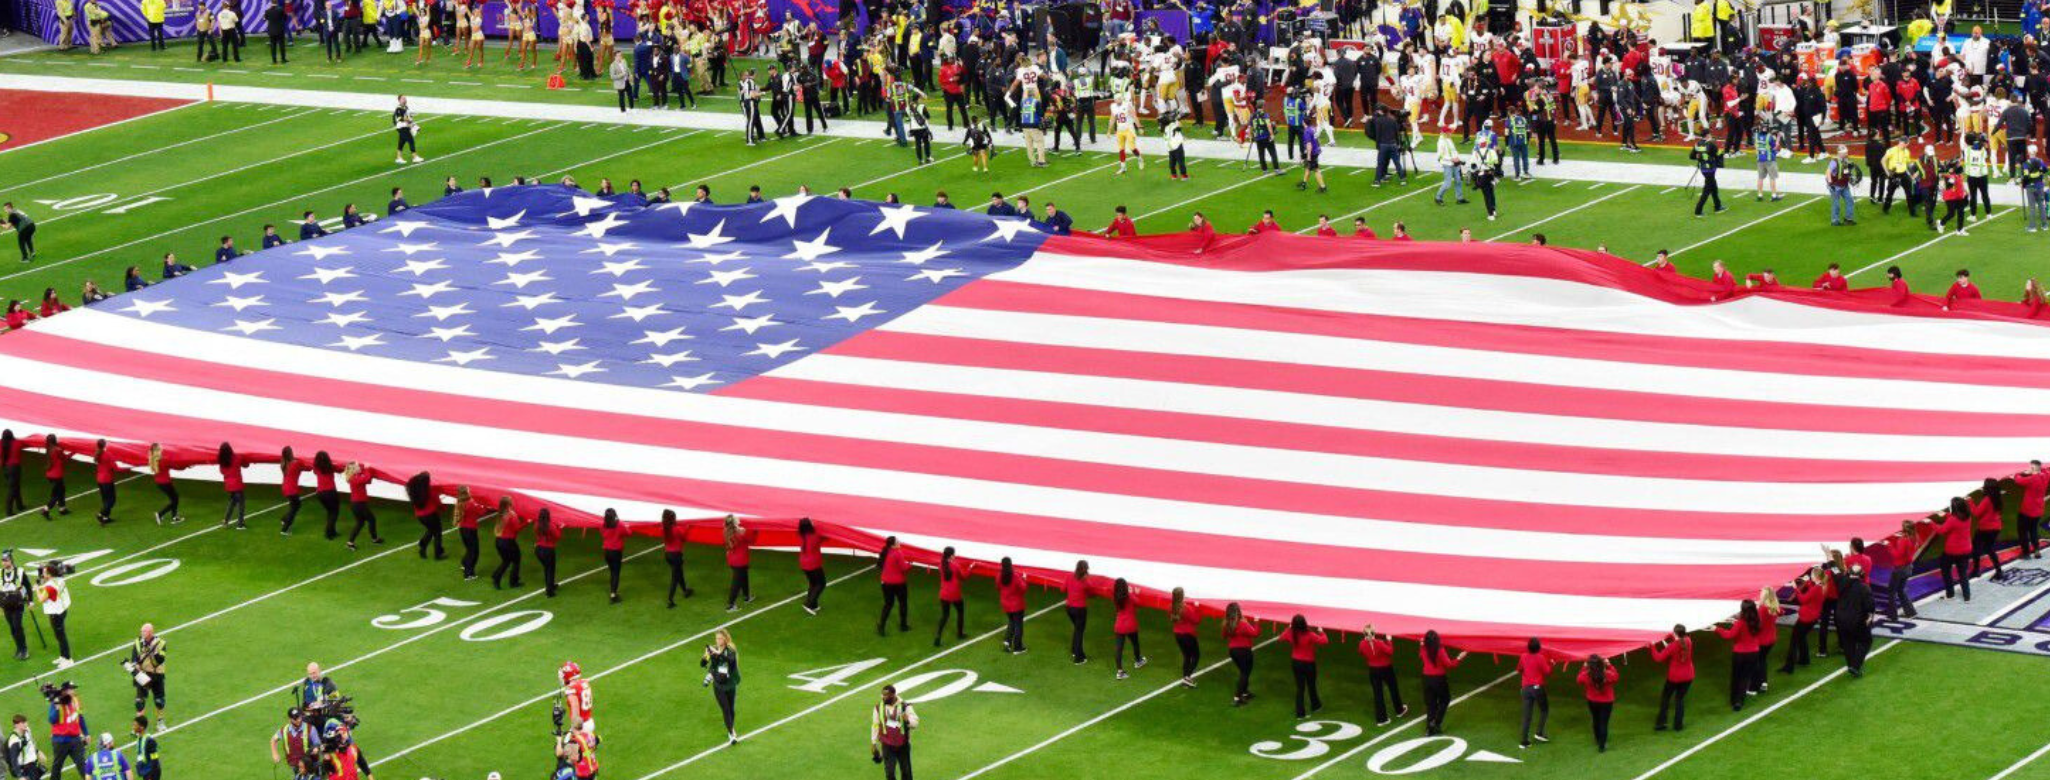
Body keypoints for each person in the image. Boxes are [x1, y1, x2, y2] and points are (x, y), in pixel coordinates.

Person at [1715, 600, 1760, 711]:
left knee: (1736, 677)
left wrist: (1716, 629)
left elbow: (1729, 635)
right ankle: (1739, 700)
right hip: (1753, 652)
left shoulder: (1740, 622)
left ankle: (1734, 700)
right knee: (1745, 678)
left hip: (1740, 654)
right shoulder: (1757, 619)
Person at [1419, 630, 1466, 736]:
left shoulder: (1423, 648)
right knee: (1445, 700)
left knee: (1431, 704)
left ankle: (1429, 728)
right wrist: (1459, 658)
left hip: (1426, 679)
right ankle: (1436, 723)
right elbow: (1449, 665)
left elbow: (1421, 656)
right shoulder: (1440, 650)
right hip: (1439, 679)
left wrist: (1421, 645)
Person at [1279, 615, 1326, 718]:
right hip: (1309, 664)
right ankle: (1315, 706)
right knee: (1311, 685)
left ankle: (1300, 713)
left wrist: (1288, 628)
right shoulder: (1309, 634)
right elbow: (1324, 641)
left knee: (1300, 688)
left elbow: (1281, 638)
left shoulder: (1291, 633)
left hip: (1296, 663)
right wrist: (1321, 631)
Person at [1834, 561, 1876, 676]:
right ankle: (1855, 666)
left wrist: (1829, 556)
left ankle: (1851, 665)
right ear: (1861, 574)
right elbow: (1870, 606)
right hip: (1857, 620)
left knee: (1848, 643)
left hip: (1841, 619)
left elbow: (1835, 570)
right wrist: (1870, 616)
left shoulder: (1841, 582)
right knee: (1866, 641)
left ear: (1848, 572)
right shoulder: (1864, 588)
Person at [870, 684, 918, 780]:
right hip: (887, 745)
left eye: (886, 695)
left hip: (903, 745)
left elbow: (915, 723)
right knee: (890, 773)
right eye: (882, 695)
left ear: (893, 695)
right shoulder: (878, 708)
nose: (883, 697)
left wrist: (908, 720)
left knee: (906, 772)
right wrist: (873, 743)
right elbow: (875, 724)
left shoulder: (905, 706)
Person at [701, 629, 740, 744]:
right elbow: (702, 663)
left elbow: (731, 661)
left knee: (731, 708)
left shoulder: (730, 649)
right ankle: (731, 734)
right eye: (717, 638)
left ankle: (731, 729)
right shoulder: (713, 649)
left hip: (730, 682)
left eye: (720, 638)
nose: (718, 641)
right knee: (725, 708)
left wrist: (719, 654)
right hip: (719, 683)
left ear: (725, 639)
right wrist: (706, 655)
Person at [1650, 625, 1693, 731]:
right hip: (1688, 676)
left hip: (1674, 678)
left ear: (1675, 633)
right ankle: (1678, 726)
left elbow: (1658, 658)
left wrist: (1652, 646)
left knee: (1665, 698)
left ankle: (1661, 723)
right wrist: (1672, 635)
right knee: (1680, 699)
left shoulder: (1672, 646)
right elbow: (1680, 641)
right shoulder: (1688, 641)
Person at [1936, 497, 1975, 601]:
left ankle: (1950, 594)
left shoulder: (1953, 520)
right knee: (1963, 573)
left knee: (1945, 570)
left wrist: (1930, 523)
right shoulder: (1968, 516)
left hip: (1952, 551)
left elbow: (1941, 530)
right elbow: (1956, 519)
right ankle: (1967, 596)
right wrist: (1946, 515)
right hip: (1966, 549)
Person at [127, 623, 166, 727]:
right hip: (143, 675)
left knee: (159, 701)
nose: (142, 633)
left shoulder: (160, 643)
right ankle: (138, 726)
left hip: (156, 674)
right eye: (141, 631)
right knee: (139, 702)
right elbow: (134, 658)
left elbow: (158, 661)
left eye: (144, 631)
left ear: (150, 632)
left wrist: (152, 652)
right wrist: (135, 667)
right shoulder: (138, 643)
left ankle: (160, 722)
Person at [1516, 637, 1552, 748]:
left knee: (1527, 716)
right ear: (1539, 648)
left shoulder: (1523, 656)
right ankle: (1539, 732)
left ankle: (1524, 741)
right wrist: (1552, 663)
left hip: (1526, 689)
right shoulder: (1540, 658)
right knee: (1544, 710)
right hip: (1537, 689)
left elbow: (1519, 669)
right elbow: (1547, 671)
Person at [1969, 478, 2007, 582]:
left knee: (1976, 548)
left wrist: (1970, 501)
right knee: (1989, 549)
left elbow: (1976, 513)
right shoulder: (1997, 496)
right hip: (1996, 527)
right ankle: (1999, 570)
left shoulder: (1987, 499)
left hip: (1985, 528)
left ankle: (1976, 570)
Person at [1579, 655, 1618, 752]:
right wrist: (1609, 665)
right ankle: (1602, 745)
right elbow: (1616, 676)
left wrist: (1583, 667)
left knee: (1595, 720)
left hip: (1592, 701)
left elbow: (1578, 679)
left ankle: (1597, 739)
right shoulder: (1607, 674)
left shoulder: (1587, 675)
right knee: (1604, 723)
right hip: (1607, 702)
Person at [1222, 602, 1259, 707]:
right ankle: (1237, 697)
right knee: (1245, 673)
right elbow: (1255, 633)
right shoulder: (1242, 623)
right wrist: (1256, 622)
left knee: (1244, 672)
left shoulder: (1227, 623)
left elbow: (1224, 635)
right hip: (1244, 651)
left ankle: (1245, 692)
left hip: (1233, 651)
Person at [46, 683, 85, 779]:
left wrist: (86, 733)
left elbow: (80, 717)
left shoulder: (75, 700)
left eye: (73, 689)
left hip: (75, 739)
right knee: (57, 766)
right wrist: (57, 708)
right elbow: (52, 720)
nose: (73, 691)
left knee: (81, 763)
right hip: (60, 741)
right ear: (65, 691)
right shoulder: (56, 702)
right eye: (71, 689)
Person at [876, 536, 911, 635]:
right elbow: (904, 568)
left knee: (888, 604)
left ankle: (881, 626)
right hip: (898, 583)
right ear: (893, 545)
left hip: (886, 583)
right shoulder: (898, 553)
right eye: (897, 541)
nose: (899, 542)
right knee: (903, 603)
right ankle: (903, 626)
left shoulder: (886, 552)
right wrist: (909, 564)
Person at [343, 462, 381, 551]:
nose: (359, 468)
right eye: (357, 467)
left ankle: (350, 543)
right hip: (360, 504)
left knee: (360, 523)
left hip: (356, 504)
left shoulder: (355, 477)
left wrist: (364, 468)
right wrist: (367, 469)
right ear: (353, 470)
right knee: (371, 520)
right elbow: (367, 478)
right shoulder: (355, 479)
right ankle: (374, 539)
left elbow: (368, 481)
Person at [932, 547, 967, 646]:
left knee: (944, 616)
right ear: (951, 555)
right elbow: (963, 577)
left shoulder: (941, 565)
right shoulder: (955, 565)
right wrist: (970, 568)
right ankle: (960, 633)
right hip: (955, 594)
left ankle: (938, 636)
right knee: (960, 612)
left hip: (944, 594)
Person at [270, 707, 316, 778]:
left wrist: (316, 749)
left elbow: (317, 743)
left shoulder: (309, 728)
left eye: (299, 717)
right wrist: (274, 754)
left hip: (308, 764)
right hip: (293, 763)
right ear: (290, 719)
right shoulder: (284, 730)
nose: (299, 720)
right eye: (295, 719)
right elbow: (273, 740)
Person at [723, 515, 755, 611]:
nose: (739, 518)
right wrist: (756, 530)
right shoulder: (741, 531)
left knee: (744, 576)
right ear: (734, 522)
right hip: (740, 560)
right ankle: (730, 605)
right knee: (736, 583)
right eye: (737, 518)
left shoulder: (725, 531)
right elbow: (752, 540)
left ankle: (747, 597)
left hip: (732, 559)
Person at [490, 496, 523, 589]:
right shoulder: (511, 514)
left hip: (499, 541)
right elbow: (517, 529)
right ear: (509, 504)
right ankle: (513, 582)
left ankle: (496, 575)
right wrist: (527, 522)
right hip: (508, 542)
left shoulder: (501, 513)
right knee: (516, 561)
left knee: (506, 561)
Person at [663, 510, 694, 608]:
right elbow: (684, 538)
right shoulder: (676, 529)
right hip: (676, 555)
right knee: (675, 578)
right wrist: (687, 528)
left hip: (668, 555)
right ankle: (670, 600)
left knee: (679, 573)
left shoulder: (664, 528)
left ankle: (685, 591)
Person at [0, 552, 27, 662]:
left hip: (17, 604)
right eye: (3, 560)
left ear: (11, 560)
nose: (4, 562)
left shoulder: (19, 571)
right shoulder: (0, 573)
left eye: (6, 560)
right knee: (12, 628)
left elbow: (27, 585)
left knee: (17, 627)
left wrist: (30, 601)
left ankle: (24, 650)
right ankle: (19, 648)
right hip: (6, 604)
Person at [1063, 560, 1090, 665]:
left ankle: (1075, 651)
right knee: (1079, 631)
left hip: (1069, 608)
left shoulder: (1069, 576)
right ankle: (1079, 657)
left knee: (1077, 629)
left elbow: (1063, 589)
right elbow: (1090, 591)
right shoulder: (1085, 581)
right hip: (1080, 609)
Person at [997, 557, 1027, 654]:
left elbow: (998, 587)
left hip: (1005, 604)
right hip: (1017, 604)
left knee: (1011, 622)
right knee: (1018, 625)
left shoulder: (999, 576)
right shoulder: (1015, 576)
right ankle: (1018, 647)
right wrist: (1024, 579)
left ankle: (1007, 641)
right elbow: (1023, 589)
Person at [1692, 136, 1725, 216]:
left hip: (1703, 169)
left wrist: (1700, 158)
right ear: (1707, 135)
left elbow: (1692, 156)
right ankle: (1698, 211)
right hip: (1710, 169)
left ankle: (1718, 206)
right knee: (1707, 191)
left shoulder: (1698, 144)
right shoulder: (1711, 145)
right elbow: (1718, 156)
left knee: (1714, 187)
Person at [7, 714, 45, 780]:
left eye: (26, 722)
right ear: (16, 725)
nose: (25, 724)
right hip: (25, 768)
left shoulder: (27, 730)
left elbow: (31, 744)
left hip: (33, 765)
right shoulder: (14, 740)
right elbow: (14, 760)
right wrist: (20, 776)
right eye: (22, 723)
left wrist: (38, 752)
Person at [600, 509, 625, 604]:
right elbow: (629, 533)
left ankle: (613, 592)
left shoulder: (603, 525)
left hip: (606, 551)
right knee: (615, 573)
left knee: (612, 572)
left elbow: (602, 533)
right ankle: (613, 595)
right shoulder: (619, 525)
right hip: (616, 552)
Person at [534, 508, 560, 597]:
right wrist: (559, 528)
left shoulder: (537, 524)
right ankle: (549, 591)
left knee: (547, 568)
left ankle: (551, 585)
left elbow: (537, 534)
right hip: (548, 550)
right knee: (550, 570)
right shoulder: (551, 526)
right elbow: (557, 536)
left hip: (538, 549)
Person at [392, 95, 423, 165]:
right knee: (411, 140)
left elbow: (409, 117)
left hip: (406, 126)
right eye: (403, 99)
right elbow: (399, 118)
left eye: (405, 98)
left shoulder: (406, 107)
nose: (405, 100)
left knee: (401, 142)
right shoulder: (398, 109)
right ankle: (414, 157)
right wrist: (409, 120)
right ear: (399, 100)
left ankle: (398, 158)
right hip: (401, 127)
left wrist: (414, 125)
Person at [129, 716, 159, 780]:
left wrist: (151, 776)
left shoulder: (150, 741)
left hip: (151, 772)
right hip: (145, 771)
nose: (133, 727)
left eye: (135, 725)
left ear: (141, 727)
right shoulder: (139, 738)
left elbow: (155, 759)